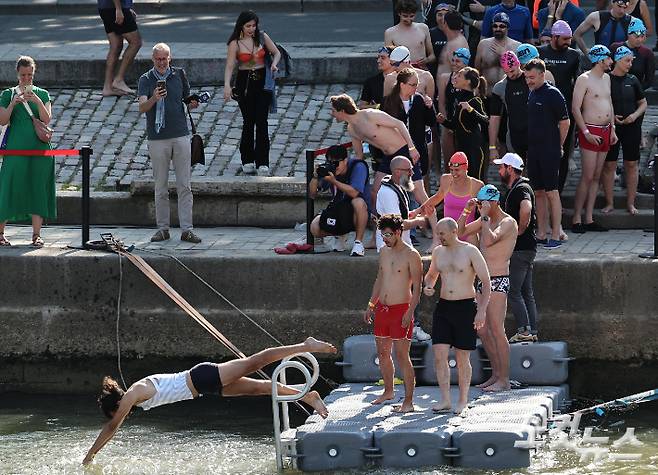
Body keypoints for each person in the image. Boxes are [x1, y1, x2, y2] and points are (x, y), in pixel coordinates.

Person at [82, 337, 338, 465]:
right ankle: (307, 395)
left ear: (115, 406)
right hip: (205, 388)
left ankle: (306, 345)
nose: (120, 416)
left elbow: (112, 427)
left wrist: (90, 455)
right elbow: (114, 424)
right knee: (259, 389)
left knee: (255, 362)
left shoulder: (132, 394)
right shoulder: (135, 396)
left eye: (116, 413)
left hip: (201, 376)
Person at [423, 217, 490, 414]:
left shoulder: (470, 251)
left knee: (462, 357)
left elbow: (486, 282)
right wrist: (428, 285)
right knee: (439, 355)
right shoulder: (438, 252)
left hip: (465, 307)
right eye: (437, 233)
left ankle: (462, 400)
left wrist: (482, 311)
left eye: (442, 233)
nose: (439, 237)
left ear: (454, 232)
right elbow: (431, 275)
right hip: (444, 308)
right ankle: (445, 399)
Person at [138, 43, 201, 244]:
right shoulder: (145, 80)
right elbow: (141, 108)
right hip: (157, 138)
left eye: (165, 58)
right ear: (153, 59)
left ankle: (187, 229)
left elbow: (186, 99)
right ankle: (163, 228)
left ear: (170, 58)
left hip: (180, 135)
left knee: (185, 185)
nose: (162, 62)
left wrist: (193, 102)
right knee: (161, 187)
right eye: (158, 59)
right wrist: (154, 98)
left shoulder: (179, 75)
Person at [457, 184, 517, 392]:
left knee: (496, 329)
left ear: (493, 203)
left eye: (484, 204)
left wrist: (483, 217)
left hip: (499, 279)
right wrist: (466, 210)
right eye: (480, 203)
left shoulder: (508, 222)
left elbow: (490, 239)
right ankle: (496, 374)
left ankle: (505, 379)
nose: (481, 207)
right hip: (483, 280)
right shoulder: (485, 219)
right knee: (482, 329)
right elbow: (460, 232)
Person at [364, 214, 423, 412]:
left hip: (401, 310)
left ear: (399, 232)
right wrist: (371, 304)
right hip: (383, 309)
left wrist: (410, 312)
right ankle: (388, 391)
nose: (386, 239)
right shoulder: (383, 252)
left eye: (389, 235)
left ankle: (408, 402)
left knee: (402, 356)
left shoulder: (412, 255)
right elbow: (380, 279)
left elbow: (418, 289)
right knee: (382, 353)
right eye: (383, 235)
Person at [382, 68, 441, 250]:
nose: (416, 88)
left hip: (414, 155)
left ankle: (435, 236)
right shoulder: (390, 101)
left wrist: (430, 107)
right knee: (384, 191)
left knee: (419, 193)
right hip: (394, 154)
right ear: (402, 84)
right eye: (413, 85)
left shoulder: (419, 101)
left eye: (417, 85)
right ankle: (390, 234)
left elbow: (431, 123)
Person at [329, 93, 420, 212]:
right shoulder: (351, 129)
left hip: (403, 150)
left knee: (418, 192)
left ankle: (433, 225)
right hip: (388, 157)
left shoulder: (369, 115)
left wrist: (411, 148)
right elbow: (359, 156)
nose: (332, 114)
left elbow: (399, 124)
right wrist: (340, 165)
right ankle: (378, 224)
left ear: (342, 110)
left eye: (333, 110)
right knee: (375, 191)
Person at [0, 56, 55, 248]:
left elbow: (46, 119)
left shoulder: (43, 93)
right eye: (23, 75)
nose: (26, 79)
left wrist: (38, 101)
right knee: (8, 186)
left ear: (34, 74)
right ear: (17, 74)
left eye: (29, 75)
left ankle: (36, 234)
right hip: (15, 149)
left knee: (37, 188)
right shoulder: (8, 94)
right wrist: (13, 103)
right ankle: (0, 233)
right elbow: (2, 120)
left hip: (39, 149)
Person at [224, 11, 281, 176]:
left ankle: (263, 161)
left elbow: (276, 52)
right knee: (249, 121)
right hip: (245, 83)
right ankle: (247, 159)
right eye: (248, 26)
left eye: (253, 25)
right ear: (241, 25)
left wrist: (274, 65)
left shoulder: (262, 37)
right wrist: (227, 85)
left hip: (262, 82)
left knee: (262, 121)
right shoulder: (235, 43)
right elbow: (229, 66)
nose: (251, 29)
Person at [525, 58, 570, 248]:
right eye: (527, 77)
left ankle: (556, 233)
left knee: (552, 192)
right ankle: (541, 233)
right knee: (539, 192)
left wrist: (558, 144)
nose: (529, 81)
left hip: (549, 150)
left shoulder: (553, 94)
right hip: (533, 149)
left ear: (543, 75)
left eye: (532, 77)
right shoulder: (532, 93)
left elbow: (565, 122)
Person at [571, 45, 617, 234]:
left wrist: (613, 128)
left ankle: (589, 218)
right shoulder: (584, 79)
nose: (611, 61)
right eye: (608, 58)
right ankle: (576, 218)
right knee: (588, 176)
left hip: (606, 130)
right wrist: (586, 132)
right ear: (599, 59)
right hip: (591, 130)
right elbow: (575, 108)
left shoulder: (607, 78)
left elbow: (610, 103)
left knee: (597, 176)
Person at [496, 153, 539, 342]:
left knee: (513, 291)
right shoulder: (519, 187)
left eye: (501, 167)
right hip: (527, 248)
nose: (499, 171)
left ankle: (524, 331)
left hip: (521, 249)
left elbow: (526, 208)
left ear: (510, 169)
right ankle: (532, 331)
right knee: (526, 292)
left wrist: (519, 231)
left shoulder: (521, 188)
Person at [601, 46, 647, 216]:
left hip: (631, 127)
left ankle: (631, 202)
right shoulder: (606, 79)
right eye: (627, 61)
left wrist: (634, 116)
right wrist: (611, 117)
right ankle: (609, 202)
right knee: (609, 165)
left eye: (631, 61)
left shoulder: (633, 80)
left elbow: (643, 103)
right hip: (612, 127)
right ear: (617, 61)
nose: (630, 64)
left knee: (631, 164)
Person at [538, 20, 582, 194]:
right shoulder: (540, 53)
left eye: (570, 39)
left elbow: (579, 84)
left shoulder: (574, 55)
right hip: (542, 110)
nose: (568, 42)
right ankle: (540, 189)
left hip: (564, 111)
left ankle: (558, 191)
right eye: (564, 39)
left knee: (561, 151)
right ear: (554, 37)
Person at [309, 145, 371, 256]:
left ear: (345, 160)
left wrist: (334, 181)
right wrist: (315, 176)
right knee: (314, 227)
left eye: (336, 163)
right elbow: (312, 194)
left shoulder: (358, 167)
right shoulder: (331, 171)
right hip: (339, 211)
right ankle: (340, 235)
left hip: (358, 213)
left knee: (358, 202)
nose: (334, 166)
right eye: (330, 162)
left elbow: (354, 193)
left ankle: (358, 243)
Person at [416, 151, 484, 245]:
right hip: (447, 236)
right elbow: (437, 197)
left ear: (466, 168)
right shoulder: (446, 179)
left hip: (468, 235)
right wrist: (417, 211)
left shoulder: (477, 185)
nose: (453, 173)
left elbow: (485, 211)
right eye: (451, 170)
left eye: (457, 170)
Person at [489, 51, 529, 161]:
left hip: (535, 136)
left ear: (518, 64)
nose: (510, 75)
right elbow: (494, 118)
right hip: (514, 138)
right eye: (507, 72)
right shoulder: (500, 87)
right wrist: (492, 147)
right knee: (517, 175)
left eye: (512, 71)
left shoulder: (531, 79)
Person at [97, 0, 143, 96]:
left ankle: (107, 87)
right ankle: (119, 79)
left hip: (105, 7)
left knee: (116, 46)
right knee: (136, 42)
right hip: (115, 7)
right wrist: (119, 9)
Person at [451, 67, 489, 181]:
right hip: (461, 146)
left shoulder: (475, 101)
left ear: (467, 81)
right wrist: (442, 121)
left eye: (459, 76)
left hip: (474, 147)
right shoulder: (458, 98)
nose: (455, 77)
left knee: (475, 179)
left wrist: (471, 110)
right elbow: (455, 125)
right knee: (462, 179)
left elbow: (485, 120)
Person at [436, 48, 469, 171]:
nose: (454, 63)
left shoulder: (471, 77)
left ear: (465, 63)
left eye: (458, 61)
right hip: (449, 122)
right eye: (453, 60)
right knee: (449, 161)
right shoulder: (445, 78)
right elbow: (442, 103)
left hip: (466, 125)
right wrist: (446, 124)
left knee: (467, 160)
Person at [475, 12, 521, 97]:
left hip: (508, 95)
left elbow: (520, 73)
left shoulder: (517, 46)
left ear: (508, 27)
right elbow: (477, 71)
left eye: (502, 26)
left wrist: (504, 54)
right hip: (486, 94)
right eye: (495, 26)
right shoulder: (483, 44)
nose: (498, 29)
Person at [386, 0, 436, 68]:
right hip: (402, 72)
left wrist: (426, 60)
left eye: (411, 16)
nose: (408, 19)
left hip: (422, 71)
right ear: (399, 14)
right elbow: (388, 59)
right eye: (405, 16)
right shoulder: (390, 33)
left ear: (415, 14)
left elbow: (432, 56)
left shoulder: (423, 28)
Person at [610, 18, 655, 91]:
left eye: (642, 36)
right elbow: (607, 69)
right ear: (628, 34)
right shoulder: (615, 47)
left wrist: (635, 91)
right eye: (636, 36)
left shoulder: (647, 53)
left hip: (635, 92)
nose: (639, 40)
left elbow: (649, 80)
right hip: (614, 89)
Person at [359, 46, 396, 111]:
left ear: (393, 60)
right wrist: (378, 106)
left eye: (383, 58)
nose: (378, 61)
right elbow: (362, 107)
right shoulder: (371, 82)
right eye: (378, 58)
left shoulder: (403, 78)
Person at [434, 10, 469, 77]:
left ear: (445, 24)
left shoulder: (456, 44)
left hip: (450, 86)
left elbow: (460, 71)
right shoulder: (454, 41)